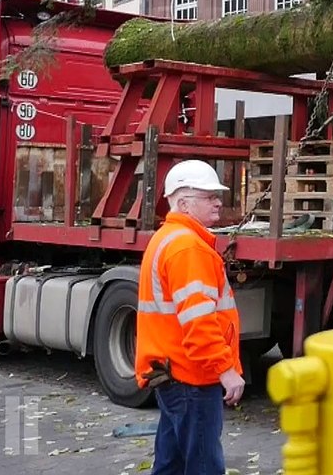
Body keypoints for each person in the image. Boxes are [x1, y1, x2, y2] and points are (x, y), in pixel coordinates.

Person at [135, 159, 245, 475]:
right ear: (184, 203)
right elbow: (198, 322)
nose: (218, 202)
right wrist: (225, 370)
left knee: (170, 464)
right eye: (209, 196)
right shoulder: (187, 248)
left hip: (172, 373)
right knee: (203, 466)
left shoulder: (167, 239)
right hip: (192, 377)